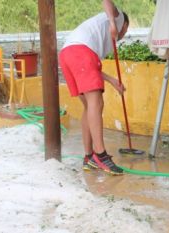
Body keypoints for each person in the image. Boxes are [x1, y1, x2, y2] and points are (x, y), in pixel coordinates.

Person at [59, 0, 129, 175]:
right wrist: (114, 23)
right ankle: (101, 155)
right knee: (96, 104)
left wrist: (112, 80)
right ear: (124, 24)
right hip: (80, 50)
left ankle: (89, 157)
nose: (124, 34)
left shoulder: (102, 42)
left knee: (89, 106)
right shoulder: (118, 18)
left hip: (68, 53)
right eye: (126, 30)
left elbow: (93, 68)